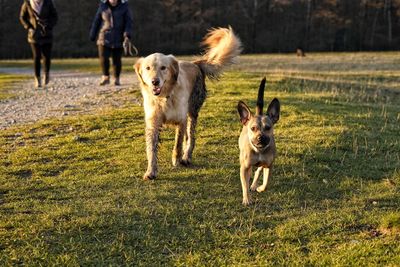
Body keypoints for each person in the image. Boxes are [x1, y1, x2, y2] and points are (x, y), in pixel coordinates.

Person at [90, 0, 133, 86]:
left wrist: (127, 34)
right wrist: (93, 34)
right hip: (104, 37)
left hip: (119, 37)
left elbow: (129, 22)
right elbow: (97, 21)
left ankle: (116, 78)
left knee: (116, 60)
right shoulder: (103, 6)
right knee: (103, 58)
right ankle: (105, 77)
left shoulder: (124, 7)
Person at [20, 0, 58, 89]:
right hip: (33, 34)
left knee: (46, 56)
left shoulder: (48, 2)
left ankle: (46, 74)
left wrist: (49, 25)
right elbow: (22, 17)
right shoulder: (27, 3)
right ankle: (37, 78)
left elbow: (55, 16)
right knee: (36, 56)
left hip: (46, 33)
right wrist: (28, 27)